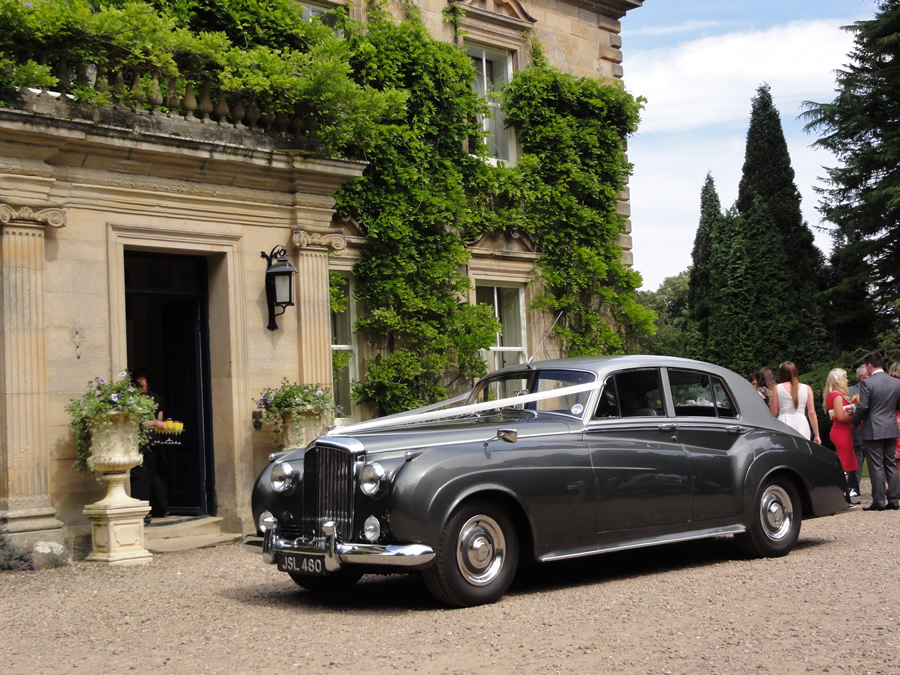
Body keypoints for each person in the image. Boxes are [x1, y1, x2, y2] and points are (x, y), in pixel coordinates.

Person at [852, 351, 900, 511]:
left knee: (876, 465)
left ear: (870, 366)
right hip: (891, 427)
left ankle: (879, 501)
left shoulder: (868, 383)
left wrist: (855, 422)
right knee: (890, 464)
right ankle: (894, 499)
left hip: (873, 428)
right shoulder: (895, 383)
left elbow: (863, 406)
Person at [129, 372, 168, 524]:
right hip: (137, 442)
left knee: (152, 473)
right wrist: (152, 423)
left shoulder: (155, 397)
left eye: (146, 384)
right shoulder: (131, 400)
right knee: (142, 475)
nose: (144, 388)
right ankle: (144, 511)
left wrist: (158, 425)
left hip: (152, 441)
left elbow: (159, 419)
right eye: (140, 385)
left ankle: (160, 507)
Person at [823, 368, 860, 500]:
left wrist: (851, 404)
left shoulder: (832, 395)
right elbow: (841, 416)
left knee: (848, 460)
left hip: (841, 431)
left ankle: (846, 491)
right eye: (845, 377)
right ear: (839, 380)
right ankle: (844, 492)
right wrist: (855, 413)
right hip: (842, 431)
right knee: (845, 462)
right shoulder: (837, 396)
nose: (847, 380)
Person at [776, 361, 821, 444]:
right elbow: (812, 413)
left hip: (783, 422)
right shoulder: (807, 388)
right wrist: (817, 434)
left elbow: (774, 412)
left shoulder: (776, 388)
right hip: (801, 423)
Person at [848, 365, 869, 494]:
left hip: (874, 432)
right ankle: (854, 491)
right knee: (856, 464)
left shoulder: (875, 388)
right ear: (862, 377)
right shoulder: (850, 391)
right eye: (868, 375)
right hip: (857, 432)